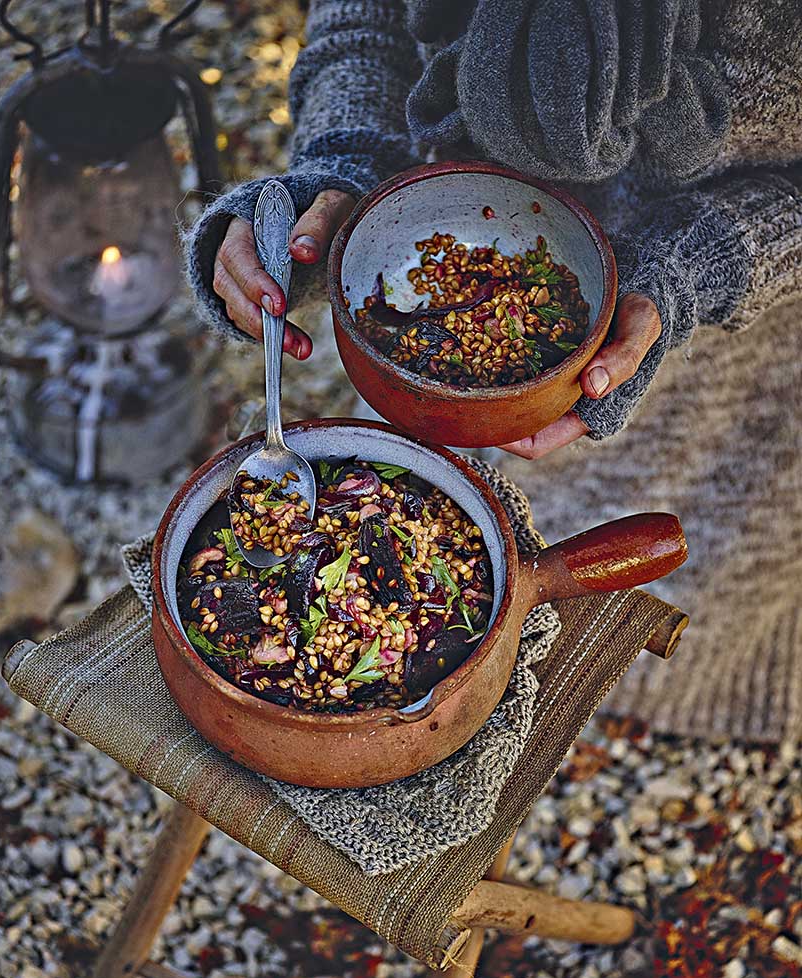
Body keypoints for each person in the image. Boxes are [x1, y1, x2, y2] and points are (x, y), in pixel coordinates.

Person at [185, 0, 802, 744]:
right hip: (418, 285)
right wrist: (340, 174)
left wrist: (697, 266)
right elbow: (362, 22)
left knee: (652, 620)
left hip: (725, 387)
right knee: (446, 549)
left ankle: (625, 716)